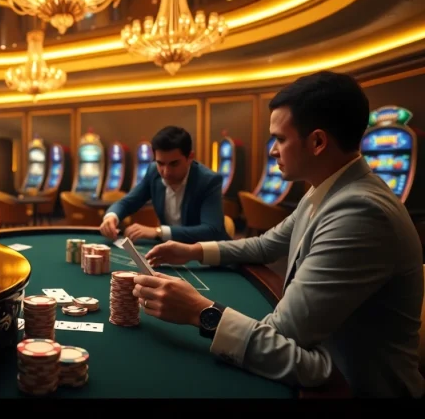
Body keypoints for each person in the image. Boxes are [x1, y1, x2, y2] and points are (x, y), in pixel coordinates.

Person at [133, 71, 424, 398]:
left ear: (317, 142)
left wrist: (199, 311)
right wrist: (193, 250)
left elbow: (281, 336)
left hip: (351, 388)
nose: (272, 151)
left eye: (280, 140)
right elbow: (265, 244)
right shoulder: (327, 192)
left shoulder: (360, 212)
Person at [99, 126, 229, 244]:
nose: (166, 172)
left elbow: (211, 231)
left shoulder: (209, 181)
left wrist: (159, 232)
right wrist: (111, 217)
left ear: (190, 157)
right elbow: (127, 203)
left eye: (174, 164)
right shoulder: (153, 172)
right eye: (160, 163)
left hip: (208, 257)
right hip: (172, 251)